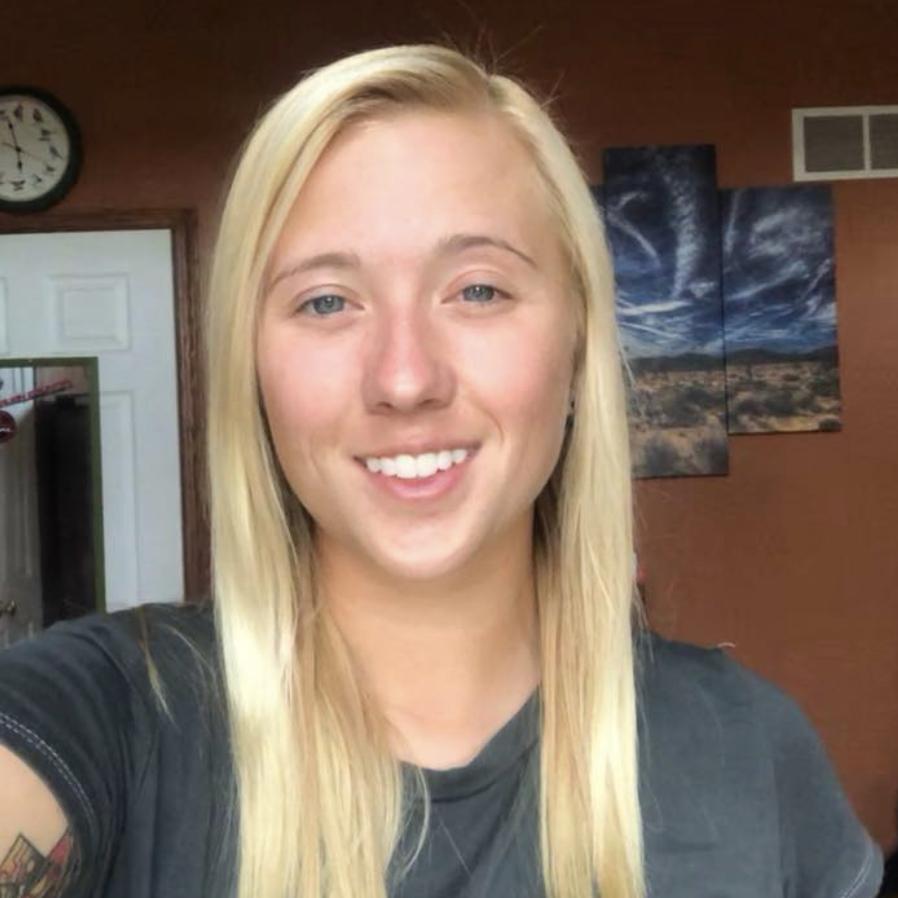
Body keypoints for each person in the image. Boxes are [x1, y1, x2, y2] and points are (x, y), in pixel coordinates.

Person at [0, 44, 883, 898]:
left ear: (577, 346)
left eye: (478, 290)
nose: (405, 378)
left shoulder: (750, 753)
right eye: (326, 301)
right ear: (252, 369)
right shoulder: (106, 717)